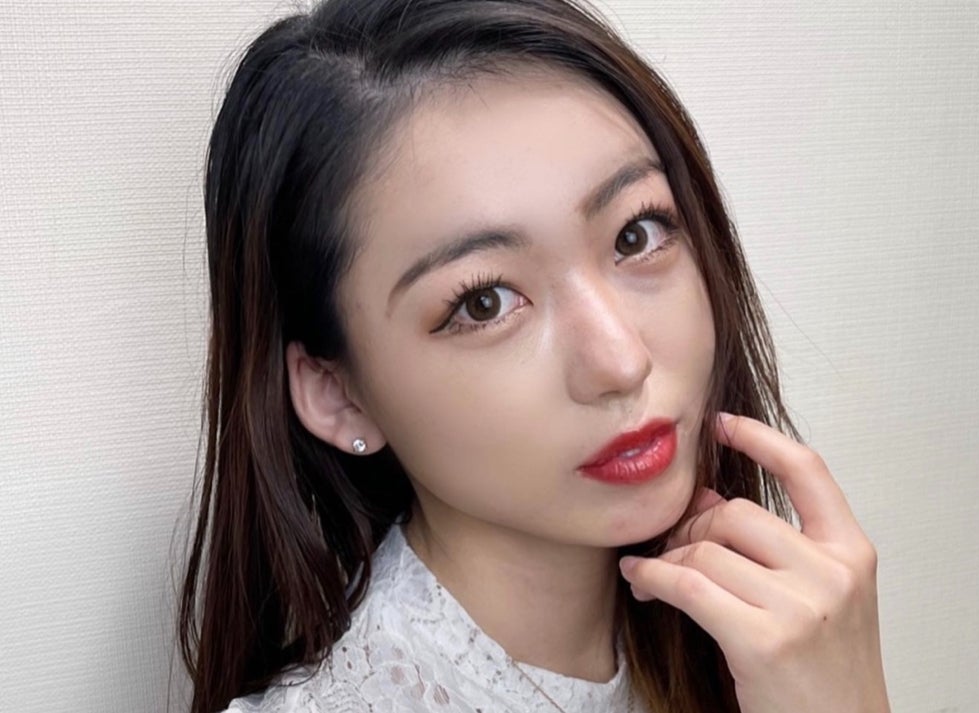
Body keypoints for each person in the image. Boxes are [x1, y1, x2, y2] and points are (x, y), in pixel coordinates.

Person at [177, 0, 891, 711]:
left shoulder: (756, 646)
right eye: (484, 302)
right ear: (338, 393)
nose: (620, 362)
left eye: (637, 234)